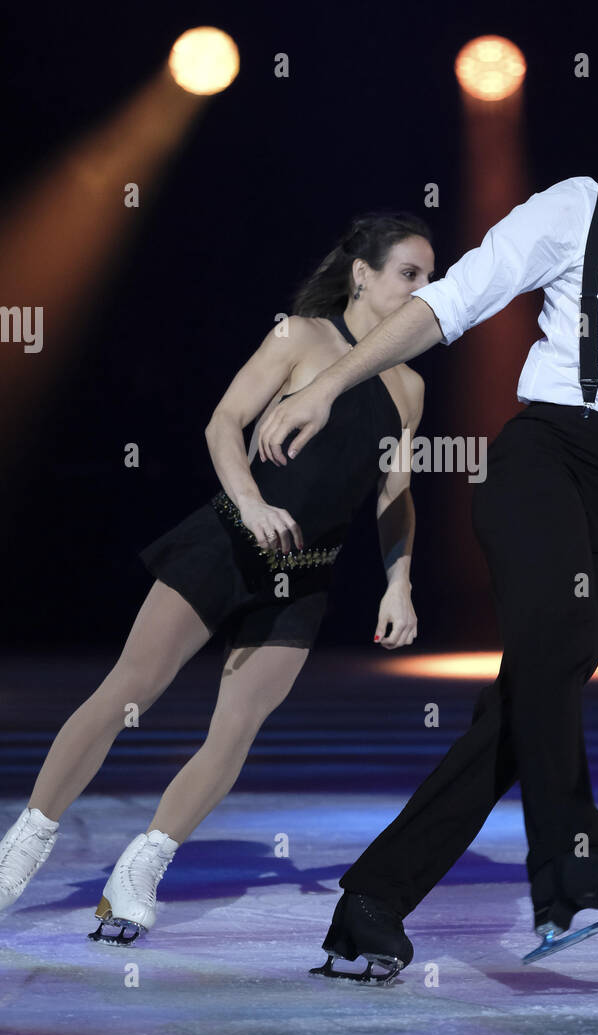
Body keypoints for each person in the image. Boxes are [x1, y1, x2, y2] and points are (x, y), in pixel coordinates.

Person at [257, 33, 598, 984]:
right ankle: (570, 870)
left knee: (525, 704)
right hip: (542, 457)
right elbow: (447, 305)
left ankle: (369, 905)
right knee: (548, 665)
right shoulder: (576, 209)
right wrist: (327, 388)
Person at [0, 213, 433, 949]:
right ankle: (24, 846)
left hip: (304, 573)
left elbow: (395, 495)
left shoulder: (410, 387)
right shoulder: (301, 336)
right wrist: (252, 504)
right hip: (227, 543)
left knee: (235, 731)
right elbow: (223, 424)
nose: (425, 290)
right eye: (410, 274)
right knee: (127, 691)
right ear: (362, 273)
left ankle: (139, 870)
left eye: (431, 279)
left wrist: (400, 583)